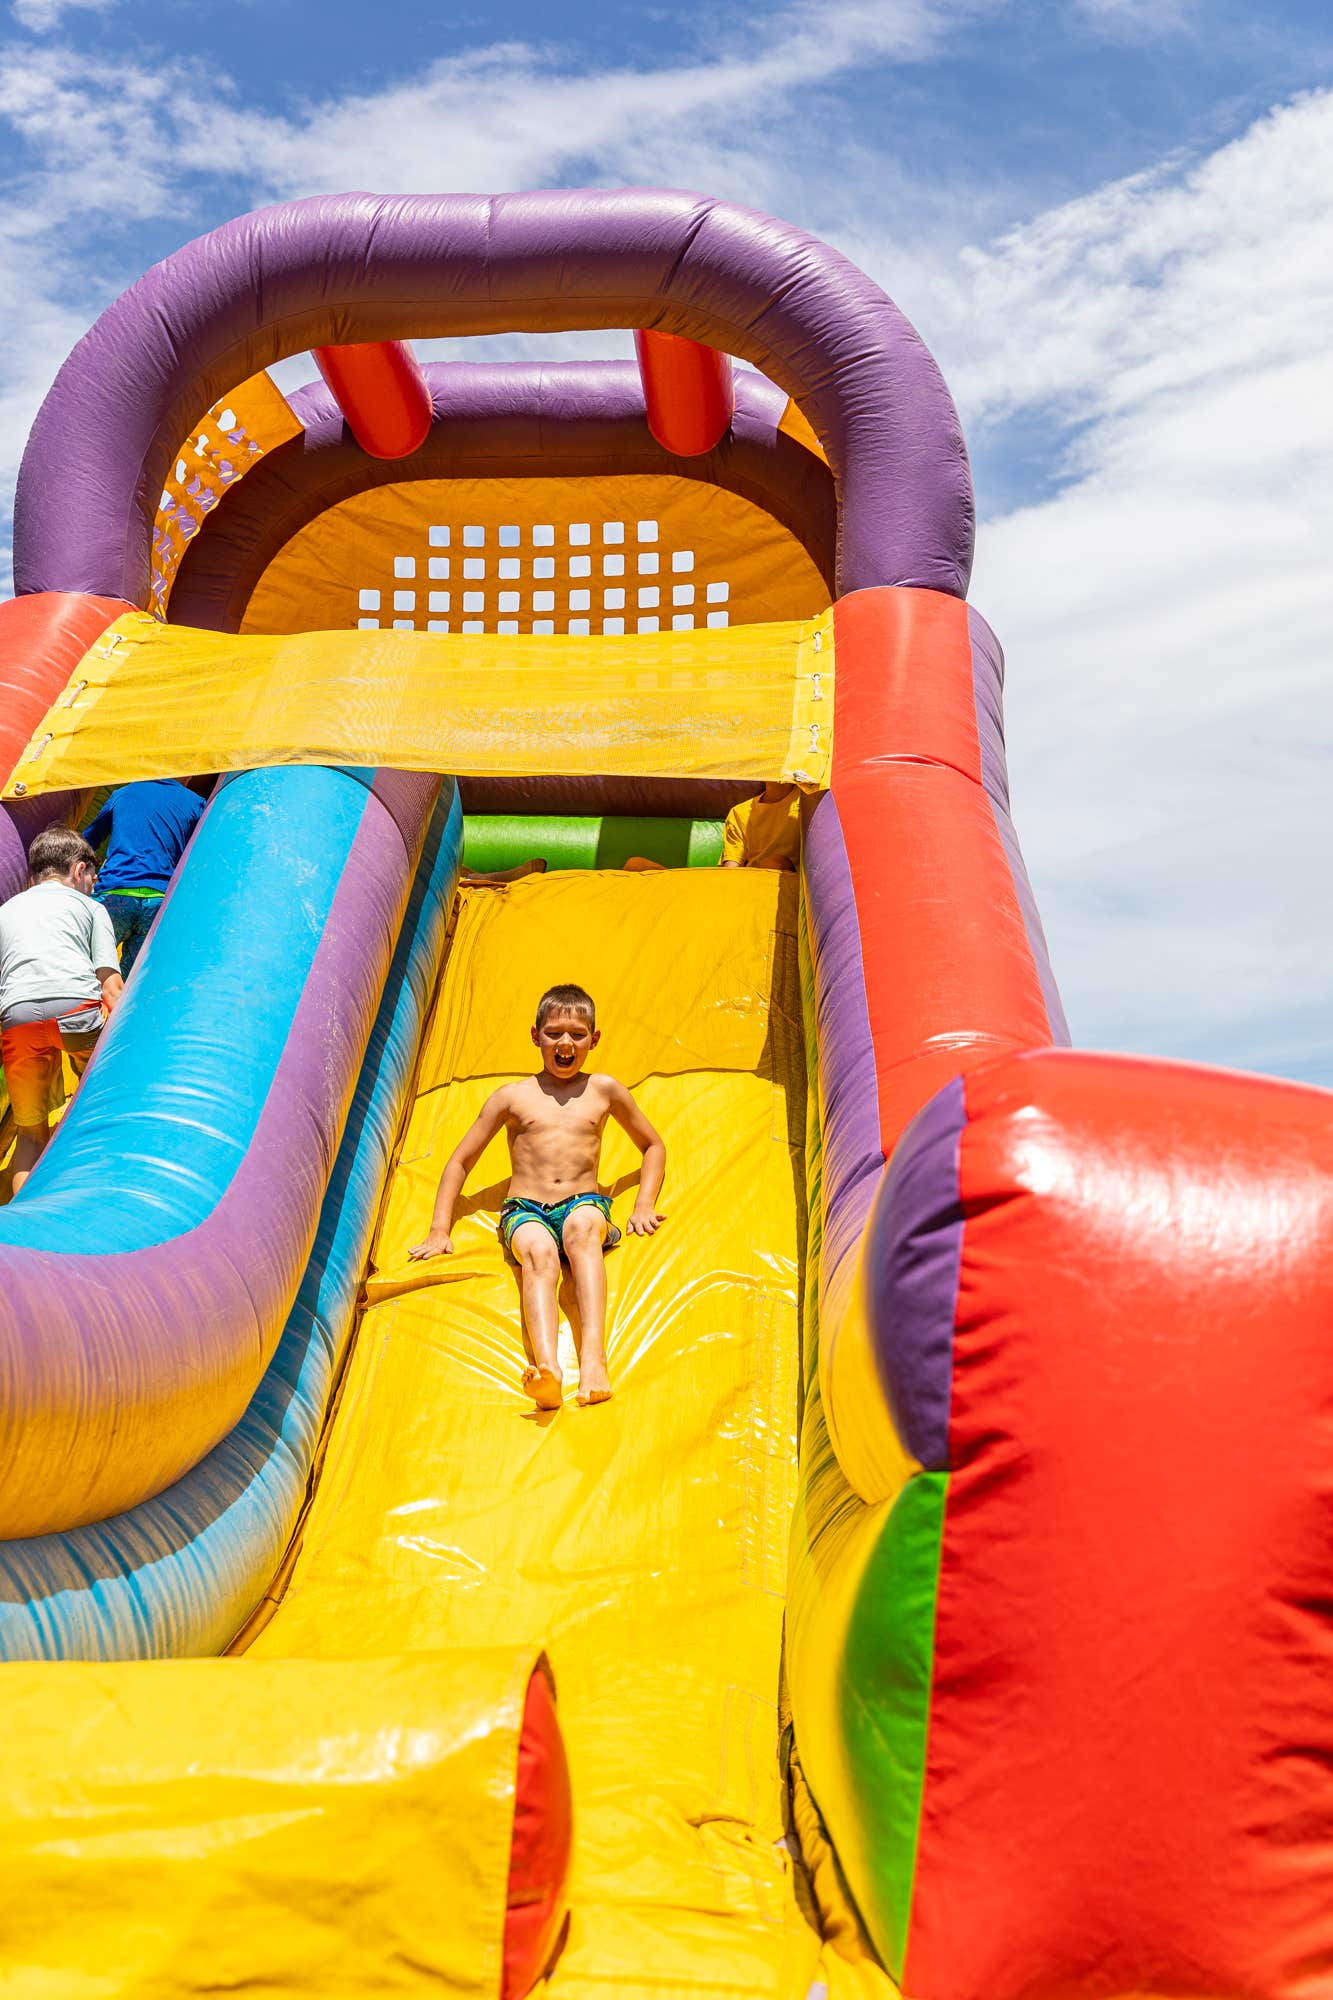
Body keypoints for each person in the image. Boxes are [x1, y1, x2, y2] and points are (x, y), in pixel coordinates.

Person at [407, 982, 666, 1409]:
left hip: (585, 1203)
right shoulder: (512, 1097)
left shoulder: (604, 1090)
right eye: (554, 1033)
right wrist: (439, 1229)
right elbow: (460, 1162)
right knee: (539, 1254)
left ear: (593, 1039)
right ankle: (547, 1369)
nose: (565, 1043)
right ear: (536, 1036)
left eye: (577, 1034)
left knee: (582, 1232)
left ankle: (593, 1358)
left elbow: (653, 1145)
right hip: (525, 1210)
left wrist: (643, 1203)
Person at [0, 826, 123, 1194]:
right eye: (93, 878)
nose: (93, 886)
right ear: (80, 870)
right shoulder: (90, 906)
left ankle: (22, 1226)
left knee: (30, 1133)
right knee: (97, 1094)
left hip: (16, 1016)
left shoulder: (6, 910)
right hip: (76, 1009)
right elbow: (111, 989)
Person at [82, 777, 206, 975]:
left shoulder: (123, 793)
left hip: (114, 894)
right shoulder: (196, 803)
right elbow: (198, 855)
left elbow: (87, 843)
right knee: (131, 982)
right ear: (190, 775)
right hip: (158, 901)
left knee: (84, 968)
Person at [720, 781, 802, 870]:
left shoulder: (807, 803)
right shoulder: (739, 812)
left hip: (794, 879)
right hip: (754, 879)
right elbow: (731, 866)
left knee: (775, 862)